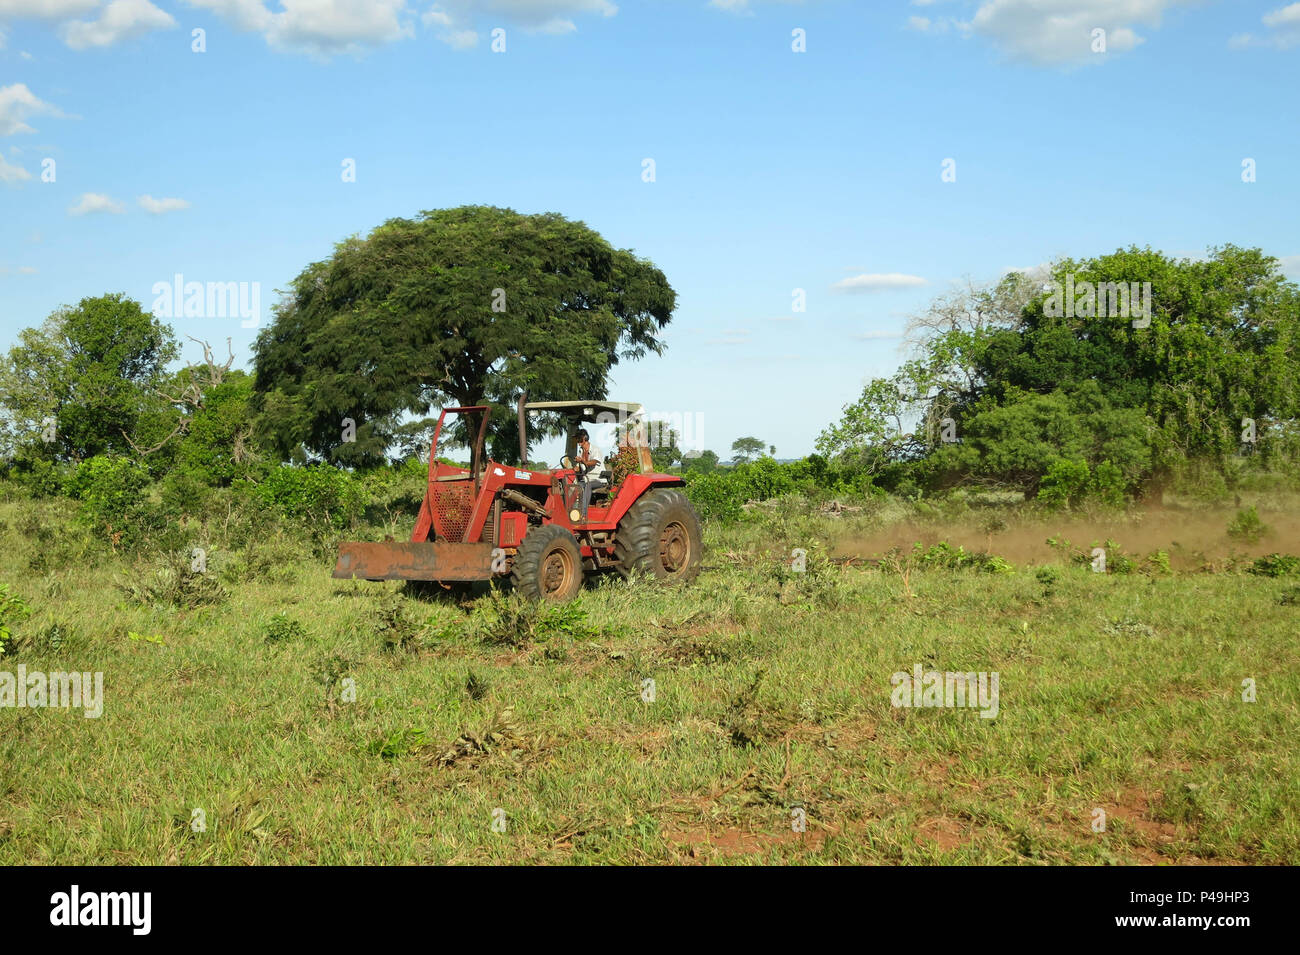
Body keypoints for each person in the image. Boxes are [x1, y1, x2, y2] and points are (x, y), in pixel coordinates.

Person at [574, 428, 608, 520]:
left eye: (578, 438)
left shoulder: (595, 450)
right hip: (587, 479)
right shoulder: (581, 451)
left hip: (599, 480)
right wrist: (576, 468)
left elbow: (592, 462)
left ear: (584, 438)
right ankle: (573, 511)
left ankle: (583, 514)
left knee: (588, 485)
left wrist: (582, 461)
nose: (577, 441)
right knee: (575, 486)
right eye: (576, 439)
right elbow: (579, 466)